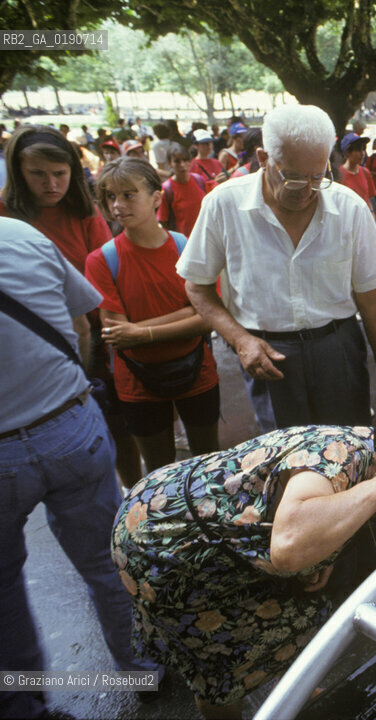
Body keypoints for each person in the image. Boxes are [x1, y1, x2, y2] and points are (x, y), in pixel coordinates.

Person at [112, 426, 376, 719]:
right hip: (162, 536)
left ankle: (291, 688)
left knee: (305, 612)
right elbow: (289, 545)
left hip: (222, 540)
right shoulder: (342, 452)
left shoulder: (369, 475)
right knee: (220, 666)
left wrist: (322, 555)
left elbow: (316, 517)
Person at [0, 217, 161, 720]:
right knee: (106, 562)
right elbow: (81, 325)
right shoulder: (21, 236)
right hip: (70, 425)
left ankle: (22, 702)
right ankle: (142, 670)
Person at [177, 103, 376, 430]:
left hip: (337, 349)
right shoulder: (223, 205)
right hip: (267, 354)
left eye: (318, 176)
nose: (307, 191)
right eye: (294, 178)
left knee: (347, 446)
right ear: (263, 158)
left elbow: (371, 299)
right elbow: (197, 286)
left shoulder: (349, 208)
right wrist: (240, 340)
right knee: (284, 453)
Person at [0, 124, 143, 488]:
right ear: (17, 171)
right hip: (26, 345)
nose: (51, 184)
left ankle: (128, 490)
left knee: (117, 424)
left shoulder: (84, 211)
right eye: (38, 174)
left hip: (93, 336)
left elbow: (104, 274)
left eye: (59, 174)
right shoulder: (5, 214)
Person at [84, 158, 220, 472]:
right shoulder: (102, 260)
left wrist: (141, 331)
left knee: (208, 461)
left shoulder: (185, 247)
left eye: (128, 195)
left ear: (156, 198)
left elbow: (209, 317)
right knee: (159, 470)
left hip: (197, 372)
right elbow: (117, 334)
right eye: (110, 197)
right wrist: (186, 313)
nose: (117, 205)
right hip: (137, 382)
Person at [157, 146, 212, 235]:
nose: (182, 165)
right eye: (177, 161)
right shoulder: (167, 189)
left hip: (205, 236)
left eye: (185, 160)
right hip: (184, 241)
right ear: (170, 164)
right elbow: (163, 221)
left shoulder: (199, 180)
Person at [338, 132, 376, 209]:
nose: (362, 154)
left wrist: (372, 213)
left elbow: (369, 199)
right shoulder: (338, 175)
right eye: (358, 150)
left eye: (363, 149)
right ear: (347, 152)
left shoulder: (365, 172)